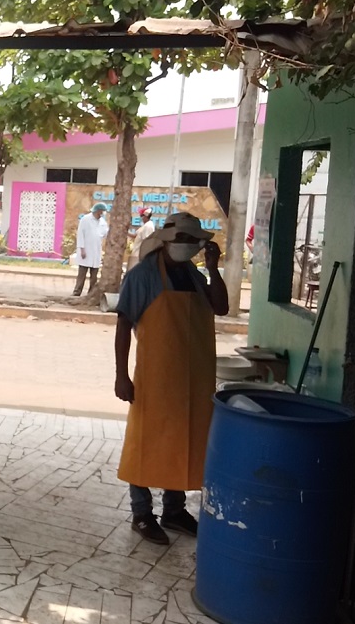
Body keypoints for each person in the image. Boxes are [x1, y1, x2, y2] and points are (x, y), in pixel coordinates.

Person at [113, 213, 229, 545]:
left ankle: (174, 511)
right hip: (156, 376)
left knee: (183, 440)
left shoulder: (193, 274)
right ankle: (142, 513)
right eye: (182, 239)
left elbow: (221, 307)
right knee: (146, 441)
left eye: (193, 241)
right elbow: (123, 325)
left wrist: (213, 269)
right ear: (165, 240)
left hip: (194, 378)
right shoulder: (142, 276)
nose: (187, 246)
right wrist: (121, 375)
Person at [73, 203, 108, 296]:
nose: (102, 214)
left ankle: (91, 292)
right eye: (102, 211)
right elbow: (80, 234)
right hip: (86, 250)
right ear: (98, 211)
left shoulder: (102, 222)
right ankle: (77, 291)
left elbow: (105, 233)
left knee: (94, 275)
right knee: (82, 273)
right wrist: (82, 249)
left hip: (96, 250)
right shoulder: (85, 219)